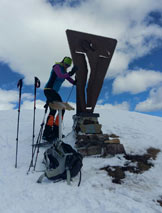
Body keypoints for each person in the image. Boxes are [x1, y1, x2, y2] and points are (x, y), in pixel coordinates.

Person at [42, 56, 77, 141]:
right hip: (49, 90)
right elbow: (60, 75)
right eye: (66, 64)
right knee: (53, 110)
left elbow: (71, 80)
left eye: (68, 65)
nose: (66, 66)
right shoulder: (57, 67)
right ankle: (47, 133)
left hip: (54, 92)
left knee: (62, 110)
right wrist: (70, 73)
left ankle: (56, 131)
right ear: (63, 62)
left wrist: (76, 81)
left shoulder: (65, 71)